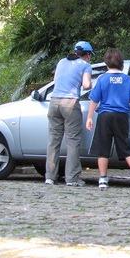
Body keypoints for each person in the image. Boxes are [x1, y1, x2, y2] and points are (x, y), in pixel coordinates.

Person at [86, 48, 130, 190]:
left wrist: (90, 117)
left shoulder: (102, 79)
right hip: (122, 116)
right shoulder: (127, 79)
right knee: (125, 145)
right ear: (121, 63)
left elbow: (94, 99)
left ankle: (103, 179)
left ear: (106, 63)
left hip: (105, 115)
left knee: (103, 148)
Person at [45, 41, 94, 186]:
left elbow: (55, 81)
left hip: (54, 102)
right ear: (88, 54)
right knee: (73, 141)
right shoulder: (85, 65)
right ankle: (72, 179)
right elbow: (86, 85)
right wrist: (90, 84)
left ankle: (50, 177)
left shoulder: (61, 62)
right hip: (70, 103)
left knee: (53, 141)